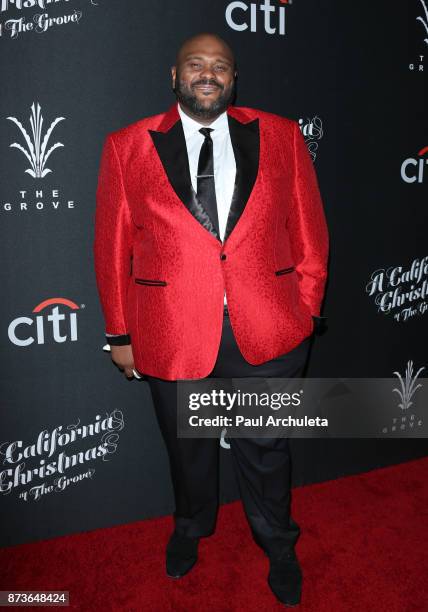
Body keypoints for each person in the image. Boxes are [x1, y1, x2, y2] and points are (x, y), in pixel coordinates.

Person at [93, 32, 329, 607]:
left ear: (233, 79)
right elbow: (112, 245)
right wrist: (118, 333)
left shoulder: (281, 135)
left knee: (267, 449)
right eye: (196, 65)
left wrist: (305, 310)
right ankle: (191, 527)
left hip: (268, 331)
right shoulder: (128, 145)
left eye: (220, 66)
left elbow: (311, 232)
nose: (208, 74)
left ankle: (278, 545)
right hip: (172, 332)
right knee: (188, 450)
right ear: (174, 77)